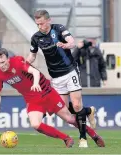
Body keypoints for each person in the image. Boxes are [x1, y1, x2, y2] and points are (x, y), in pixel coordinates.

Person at [26, 10, 105, 147]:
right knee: (64, 112)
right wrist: (24, 66)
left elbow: (72, 42)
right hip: (56, 78)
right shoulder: (36, 38)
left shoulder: (59, 29)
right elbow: (32, 56)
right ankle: (88, 111)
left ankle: (83, 139)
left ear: (49, 20)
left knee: (76, 105)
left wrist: (65, 45)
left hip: (70, 72)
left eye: (42, 24)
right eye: (37, 24)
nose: (40, 27)